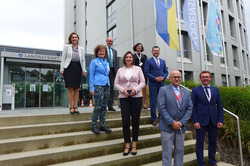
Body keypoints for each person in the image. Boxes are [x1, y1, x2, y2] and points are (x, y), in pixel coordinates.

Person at [158, 70, 192, 166]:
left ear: (181, 78)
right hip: (167, 127)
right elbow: (161, 108)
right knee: (167, 154)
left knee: (180, 153)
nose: (177, 78)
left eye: (179, 77)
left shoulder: (186, 92)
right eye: (174, 77)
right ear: (169, 78)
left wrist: (181, 122)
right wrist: (172, 122)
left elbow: (190, 109)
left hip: (181, 128)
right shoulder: (163, 90)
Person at [114, 51, 145, 156]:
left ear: (133, 59)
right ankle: (127, 144)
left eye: (130, 57)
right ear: (124, 59)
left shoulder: (138, 69)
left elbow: (143, 82)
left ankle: (134, 144)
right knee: (125, 121)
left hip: (136, 97)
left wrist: (135, 90)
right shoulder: (120, 70)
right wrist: (123, 90)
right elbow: (116, 83)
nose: (128, 59)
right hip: (124, 98)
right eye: (126, 57)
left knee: (136, 121)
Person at [191, 71, 224, 166]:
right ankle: (201, 163)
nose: (205, 78)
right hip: (200, 121)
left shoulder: (216, 90)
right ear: (200, 79)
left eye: (207, 77)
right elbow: (193, 107)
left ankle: (212, 161)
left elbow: (220, 106)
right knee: (200, 143)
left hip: (213, 120)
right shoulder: (195, 90)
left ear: (210, 78)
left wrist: (220, 120)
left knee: (213, 142)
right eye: (203, 77)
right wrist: (195, 120)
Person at [60, 32, 87, 114]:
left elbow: (83, 60)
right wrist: (62, 69)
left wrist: (84, 70)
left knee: (76, 88)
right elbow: (63, 58)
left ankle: (76, 106)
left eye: (76, 37)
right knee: (70, 88)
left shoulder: (81, 49)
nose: (74, 38)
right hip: (69, 67)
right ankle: (71, 107)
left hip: (78, 68)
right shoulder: (66, 47)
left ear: (78, 39)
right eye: (73, 37)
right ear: (70, 39)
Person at [89, 44, 112, 134]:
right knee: (98, 105)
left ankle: (102, 125)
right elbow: (91, 76)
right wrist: (92, 88)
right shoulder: (94, 62)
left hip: (107, 84)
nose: (102, 52)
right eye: (100, 51)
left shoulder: (107, 63)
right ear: (97, 53)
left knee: (104, 106)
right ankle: (94, 125)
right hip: (98, 85)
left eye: (103, 51)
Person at [144, 46, 168, 126]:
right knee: (153, 102)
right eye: (155, 50)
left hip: (162, 84)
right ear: (152, 52)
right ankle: (154, 119)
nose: (156, 52)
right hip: (153, 84)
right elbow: (146, 72)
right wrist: (155, 78)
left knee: (162, 102)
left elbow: (166, 72)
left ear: (159, 52)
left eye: (157, 50)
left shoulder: (163, 61)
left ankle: (161, 118)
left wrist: (163, 78)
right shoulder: (148, 61)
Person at [133, 43, 148, 109]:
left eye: (140, 46)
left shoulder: (144, 56)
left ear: (142, 48)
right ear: (135, 47)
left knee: (144, 89)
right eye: (138, 46)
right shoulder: (133, 56)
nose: (139, 47)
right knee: (136, 89)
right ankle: (137, 104)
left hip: (143, 74)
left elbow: (147, 65)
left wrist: (147, 74)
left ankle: (144, 104)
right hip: (136, 74)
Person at [106, 37, 118, 111]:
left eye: (112, 41)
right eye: (109, 41)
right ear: (106, 41)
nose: (110, 42)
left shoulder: (115, 51)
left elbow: (116, 62)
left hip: (113, 71)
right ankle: (104, 104)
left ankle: (110, 104)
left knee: (111, 88)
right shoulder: (103, 49)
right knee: (105, 87)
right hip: (105, 70)